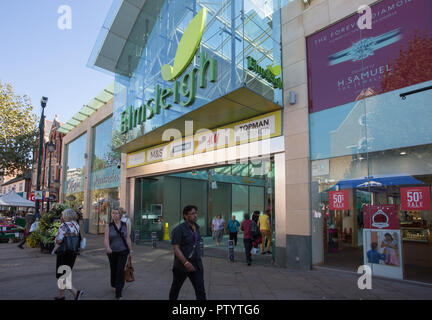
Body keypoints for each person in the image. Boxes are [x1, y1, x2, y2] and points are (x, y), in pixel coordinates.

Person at [169, 205, 206, 300]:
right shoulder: (179, 229)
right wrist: (186, 263)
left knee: (200, 290)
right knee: (175, 289)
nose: (195, 215)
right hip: (182, 265)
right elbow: (176, 248)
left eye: (196, 213)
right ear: (185, 216)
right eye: (192, 213)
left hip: (196, 264)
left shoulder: (197, 228)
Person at [54, 209, 84, 300]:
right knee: (65, 273)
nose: (61, 216)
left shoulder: (63, 225)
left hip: (63, 252)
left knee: (61, 275)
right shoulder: (76, 225)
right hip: (72, 252)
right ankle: (61, 295)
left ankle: (76, 292)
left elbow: (59, 240)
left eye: (62, 215)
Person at [104, 208, 133, 300]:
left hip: (123, 251)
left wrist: (130, 250)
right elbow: (106, 239)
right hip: (112, 252)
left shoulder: (126, 225)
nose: (114, 215)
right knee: (113, 269)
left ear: (120, 215)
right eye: (113, 213)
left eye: (116, 213)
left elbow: (128, 238)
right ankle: (113, 284)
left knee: (120, 270)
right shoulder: (109, 226)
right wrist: (108, 247)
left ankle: (118, 292)